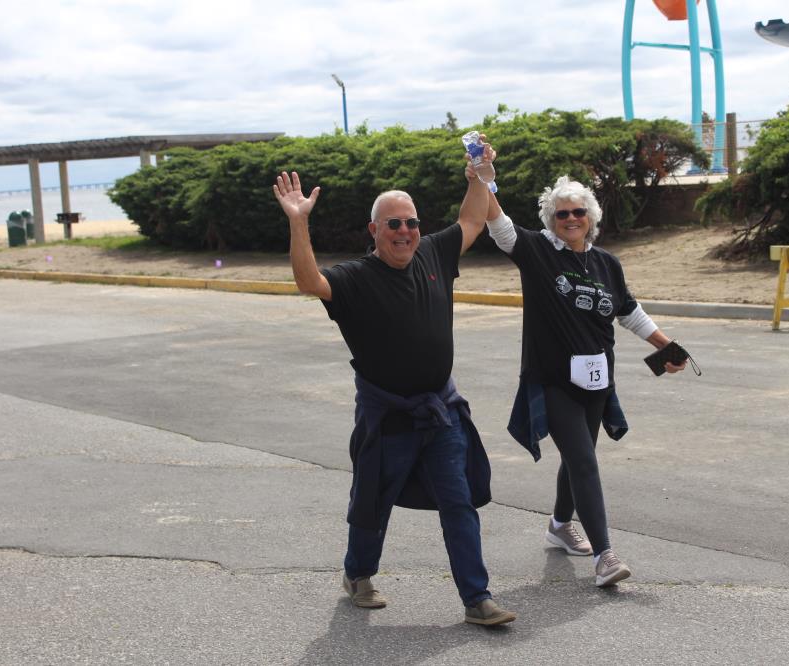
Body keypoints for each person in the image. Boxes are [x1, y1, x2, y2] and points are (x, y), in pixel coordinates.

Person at [272, 144, 516, 626]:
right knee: (373, 500)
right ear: (374, 231)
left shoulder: (433, 252)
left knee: (458, 501)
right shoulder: (356, 278)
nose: (405, 231)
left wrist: (478, 177)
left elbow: (472, 220)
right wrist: (299, 222)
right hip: (388, 414)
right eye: (393, 224)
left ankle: (477, 598)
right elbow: (308, 282)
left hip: (440, 410)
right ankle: (358, 573)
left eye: (411, 223)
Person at [480, 174, 687, 588]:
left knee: (579, 457)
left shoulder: (607, 263)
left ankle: (559, 525)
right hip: (553, 380)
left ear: (590, 216)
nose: (571, 219)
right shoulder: (538, 251)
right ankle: (605, 556)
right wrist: (483, 179)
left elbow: (628, 312)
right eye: (562, 214)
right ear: (551, 220)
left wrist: (667, 346)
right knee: (583, 462)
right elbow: (500, 227)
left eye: (578, 212)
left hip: (597, 381)